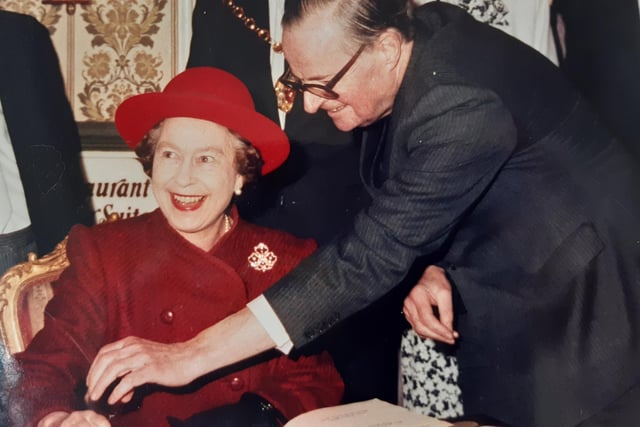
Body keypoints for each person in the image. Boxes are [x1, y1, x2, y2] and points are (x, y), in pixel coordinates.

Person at [83, 1, 640, 426]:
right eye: (297, 83)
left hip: (590, 316)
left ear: (389, 48)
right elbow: (459, 185)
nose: (306, 105)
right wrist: (431, 263)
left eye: (322, 84)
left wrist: (187, 356)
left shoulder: (461, 102)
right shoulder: (421, 45)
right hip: (527, 289)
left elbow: (363, 260)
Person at [7, 67, 343, 427]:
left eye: (206, 158)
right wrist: (55, 419)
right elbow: (42, 368)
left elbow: (315, 381)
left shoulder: (286, 259)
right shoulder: (105, 253)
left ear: (241, 174)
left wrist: (248, 416)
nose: (183, 178)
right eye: (169, 155)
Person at [187, 0, 410, 404]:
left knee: (355, 390)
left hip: (351, 223)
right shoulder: (220, 7)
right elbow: (197, 112)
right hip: (255, 225)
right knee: (264, 385)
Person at [0, 10, 94, 426]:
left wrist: (76, 255)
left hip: (16, 251)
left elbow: (57, 149)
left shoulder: (18, 36)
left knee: (22, 403)